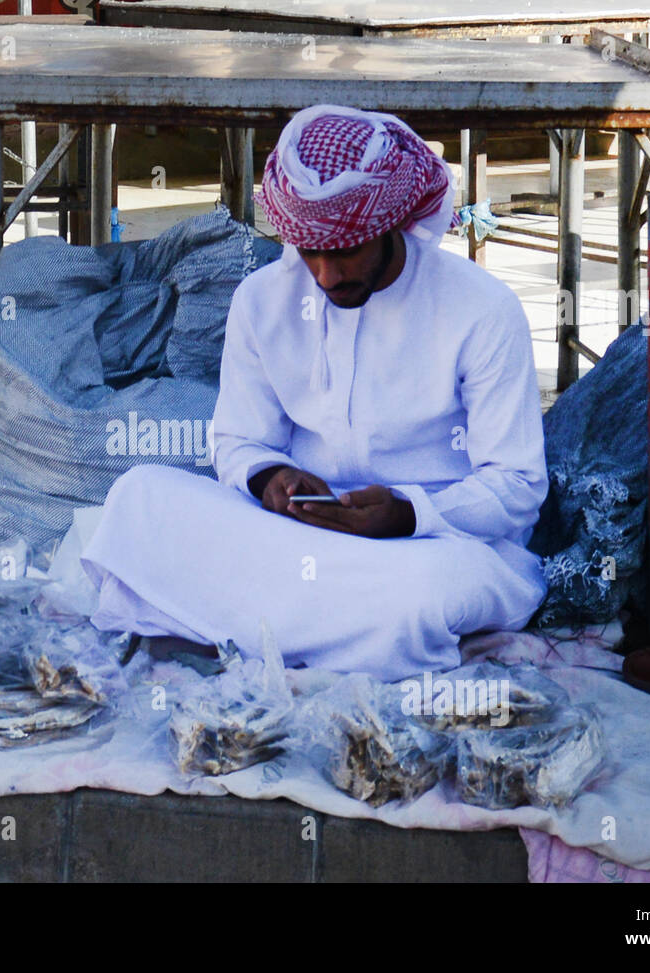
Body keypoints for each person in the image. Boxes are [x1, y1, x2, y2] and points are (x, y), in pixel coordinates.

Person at [79, 104, 549, 681]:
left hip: (434, 544)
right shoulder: (261, 300)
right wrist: (271, 479)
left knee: (418, 599)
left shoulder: (481, 309)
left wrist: (406, 513)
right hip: (294, 535)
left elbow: (518, 488)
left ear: (388, 225)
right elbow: (237, 439)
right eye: (310, 252)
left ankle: (249, 625)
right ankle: (315, 633)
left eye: (346, 250)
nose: (326, 275)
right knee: (139, 496)